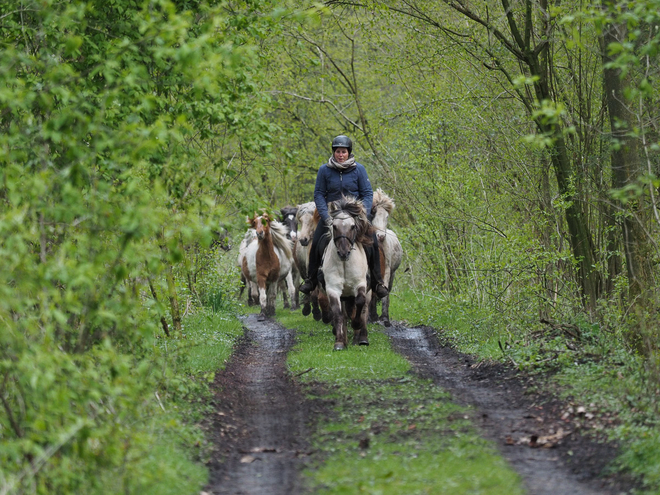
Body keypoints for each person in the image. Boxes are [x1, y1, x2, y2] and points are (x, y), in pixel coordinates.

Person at [298, 135, 389, 299]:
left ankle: (377, 282)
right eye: (338, 151)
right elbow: (319, 194)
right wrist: (326, 217)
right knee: (317, 241)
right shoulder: (324, 170)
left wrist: (364, 214)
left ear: (349, 153)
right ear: (334, 152)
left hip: (355, 216)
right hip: (332, 216)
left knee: (373, 241)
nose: (341, 155)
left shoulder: (359, 169)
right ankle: (311, 280)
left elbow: (367, 193)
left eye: (344, 152)